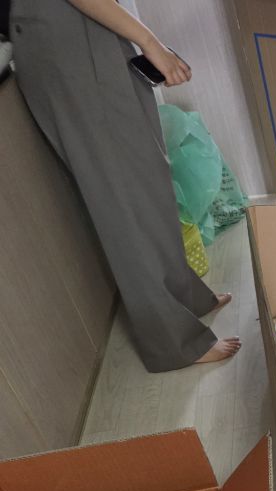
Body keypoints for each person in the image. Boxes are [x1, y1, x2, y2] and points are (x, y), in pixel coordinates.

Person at [9, 0, 241, 371]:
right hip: (66, 37)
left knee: (146, 182)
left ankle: (185, 298)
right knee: (123, 200)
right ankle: (173, 342)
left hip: (79, 32)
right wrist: (151, 43)